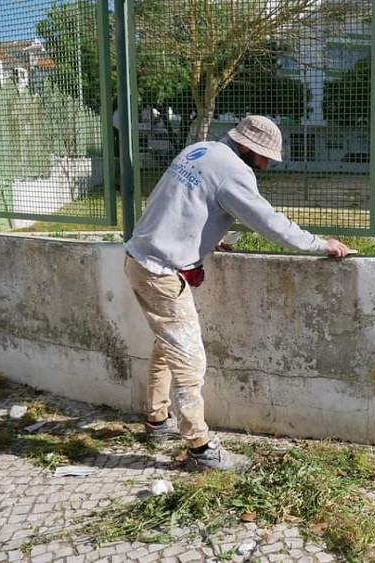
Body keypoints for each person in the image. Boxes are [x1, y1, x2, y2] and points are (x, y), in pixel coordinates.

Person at [124, 115, 350, 471]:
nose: (265, 165)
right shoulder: (234, 171)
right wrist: (319, 244)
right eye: (263, 157)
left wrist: (212, 237)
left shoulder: (200, 150)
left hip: (139, 257)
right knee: (190, 360)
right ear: (246, 147)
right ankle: (199, 448)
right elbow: (269, 222)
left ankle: (156, 420)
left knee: (167, 345)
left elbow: (181, 204)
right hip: (162, 273)